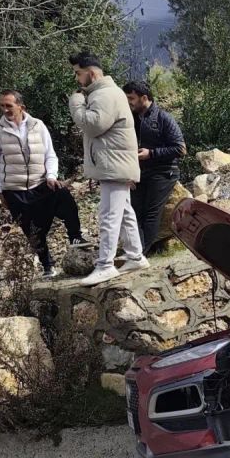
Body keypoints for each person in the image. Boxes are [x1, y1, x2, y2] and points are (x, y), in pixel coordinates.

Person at [68, 52, 147, 287]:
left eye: (78, 73)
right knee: (123, 212)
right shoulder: (107, 93)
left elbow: (93, 125)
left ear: (91, 73)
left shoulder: (105, 94)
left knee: (108, 215)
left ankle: (105, 265)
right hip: (115, 163)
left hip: (114, 165)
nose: (77, 79)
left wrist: (75, 103)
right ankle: (136, 256)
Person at [0, 89, 84, 278]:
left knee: (66, 200)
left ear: (21, 107)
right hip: (15, 189)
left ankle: (76, 241)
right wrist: (0, 192)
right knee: (33, 231)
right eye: (2, 105)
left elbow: (50, 154)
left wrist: (52, 175)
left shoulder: (38, 125)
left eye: (9, 106)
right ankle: (47, 266)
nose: (5, 110)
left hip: (41, 183)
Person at [123, 81, 186, 254]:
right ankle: (138, 252)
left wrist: (151, 153)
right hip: (138, 173)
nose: (128, 102)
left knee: (151, 213)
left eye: (131, 98)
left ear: (144, 98)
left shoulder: (163, 118)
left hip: (163, 171)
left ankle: (140, 253)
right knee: (134, 213)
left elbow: (180, 149)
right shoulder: (130, 119)